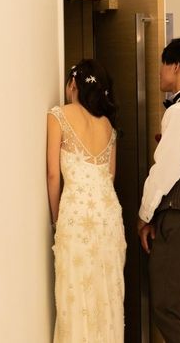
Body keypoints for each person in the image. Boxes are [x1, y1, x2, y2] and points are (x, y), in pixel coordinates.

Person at [47, 59, 126, 342]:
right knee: (106, 293)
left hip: (76, 215)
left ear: (73, 84)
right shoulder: (108, 126)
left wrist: (55, 219)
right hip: (108, 217)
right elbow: (110, 176)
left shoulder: (58, 115)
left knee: (75, 292)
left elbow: (53, 175)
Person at [138, 35, 180, 343]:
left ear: (176, 66)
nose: (160, 71)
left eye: (163, 64)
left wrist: (144, 215)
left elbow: (165, 172)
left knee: (166, 307)